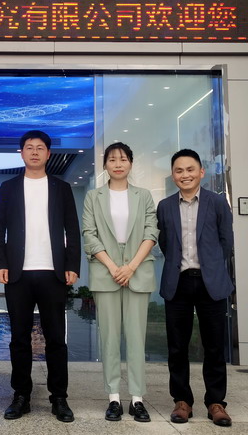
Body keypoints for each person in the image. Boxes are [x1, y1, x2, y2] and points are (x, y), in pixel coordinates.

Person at [0, 130, 81, 423]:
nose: (34, 152)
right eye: (29, 147)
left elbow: (72, 228)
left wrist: (72, 264)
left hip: (53, 272)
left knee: (55, 338)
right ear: (22, 153)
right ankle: (21, 396)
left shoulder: (61, 188)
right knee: (18, 338)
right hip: (18, 273)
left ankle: (59, 397)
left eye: (40, 148)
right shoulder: (9, 187)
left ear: (48, 154)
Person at [157, 149, 234, 427]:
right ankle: (182, 401)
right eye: (179, 170)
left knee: (214, 346)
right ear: (173, 175)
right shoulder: (165, 206)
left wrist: (211, 267)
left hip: (210, 282)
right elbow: (165, 243)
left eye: (190, 169)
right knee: (177, 346)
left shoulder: (217, 202)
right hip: (178, 281)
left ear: (201, 172)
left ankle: (216, 402)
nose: (185, 175)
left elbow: (226, 242)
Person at [82, 142, 158, 422]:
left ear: (131, 163)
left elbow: (151, 231)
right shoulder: (94, 196)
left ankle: (137, 399)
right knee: (109, 338)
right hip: (106, 272)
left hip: (138, 270)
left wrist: (131, 266)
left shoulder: (143, 195)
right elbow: (89, 234)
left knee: (137, 338)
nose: (117, 164)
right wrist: (115, 267)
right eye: (112, 159)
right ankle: (113, 397)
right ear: (105, 165)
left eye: (123, 159)